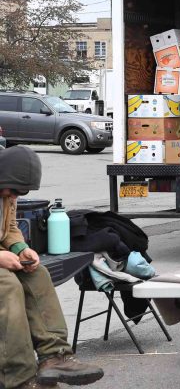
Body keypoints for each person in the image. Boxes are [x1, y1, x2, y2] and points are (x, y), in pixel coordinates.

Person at [0, 146, 104, 389]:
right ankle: (18, 377)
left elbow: (10, 229)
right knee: (7, 285)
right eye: (13, 191)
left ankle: (55, 356)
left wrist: (20, 249)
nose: (15, 197)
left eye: (21, 193)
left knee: (38, 274)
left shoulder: (6, 192)